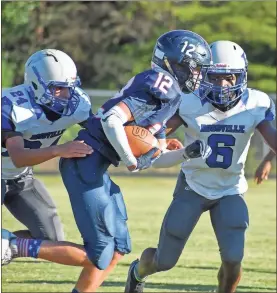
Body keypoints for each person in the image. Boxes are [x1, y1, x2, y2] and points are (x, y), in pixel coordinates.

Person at [2, 30, 213, 293]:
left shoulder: (171, 99)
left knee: (117, 249)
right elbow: (111, 119)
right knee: (100, 253)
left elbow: (149, 156)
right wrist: (126, 158)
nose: (198, 75)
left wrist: (184, 153)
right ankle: (10, 244)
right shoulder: (160, 83)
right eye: (193, 68)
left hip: (67, 173)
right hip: (62, 166)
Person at [124, 40, 277, 293]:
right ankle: (137, 272)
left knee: (233, 259)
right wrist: (150, 139)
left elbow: (271, 136)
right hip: (193, 186)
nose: (222, 85)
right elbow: (155, 132)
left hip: (230, 189)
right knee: (164, 261)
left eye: (229, 77)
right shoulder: (188, 101)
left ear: (242, 76)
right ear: (202, 75)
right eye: (215, 77)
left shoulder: (255, 104)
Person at [1, 49, 93, 241]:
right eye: (58, 88)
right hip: (12, 169)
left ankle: (7, 247)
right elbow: (18, 157)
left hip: (21, 179)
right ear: (36, 84)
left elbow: (101, 132)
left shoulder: (78, 105)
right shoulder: (10, 105)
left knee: (51, 239)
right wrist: (59, 150)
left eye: (70, 87)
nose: (67, 95)